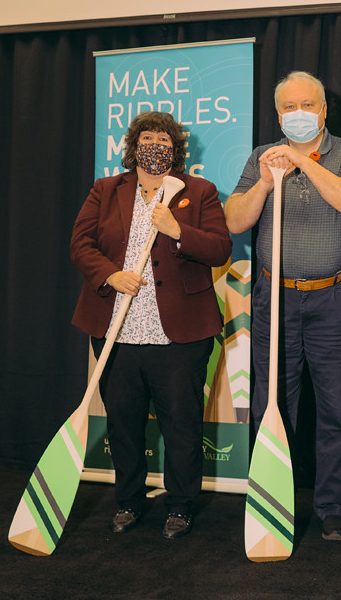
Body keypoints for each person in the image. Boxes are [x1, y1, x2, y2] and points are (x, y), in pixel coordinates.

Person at [224, 71, 341, 541]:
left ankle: (335, 506)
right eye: (289, 107)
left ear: (324, 110)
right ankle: (275, 501)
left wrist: (303, 163)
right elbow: (234, 220)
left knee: (338, 410)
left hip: (337, 298)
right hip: (276, 299)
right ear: (278, 114)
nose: (299, 114)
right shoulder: (260, 158)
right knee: (272, 405)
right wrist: (268, 181)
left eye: (307, 104)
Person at [70, 111, 232, 539]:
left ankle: (180, 506)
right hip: (118, 334)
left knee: (182, 425)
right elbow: (80, 244)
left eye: (164, 138)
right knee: (122, 425)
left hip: (179, 337)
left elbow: (219, 248)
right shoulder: (105, 190)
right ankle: (128, 501)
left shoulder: (199, 192)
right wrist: (110, 274)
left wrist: (177, 229)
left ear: (176, 148)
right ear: (133, 146)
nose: (155, 144)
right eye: (147, 137)